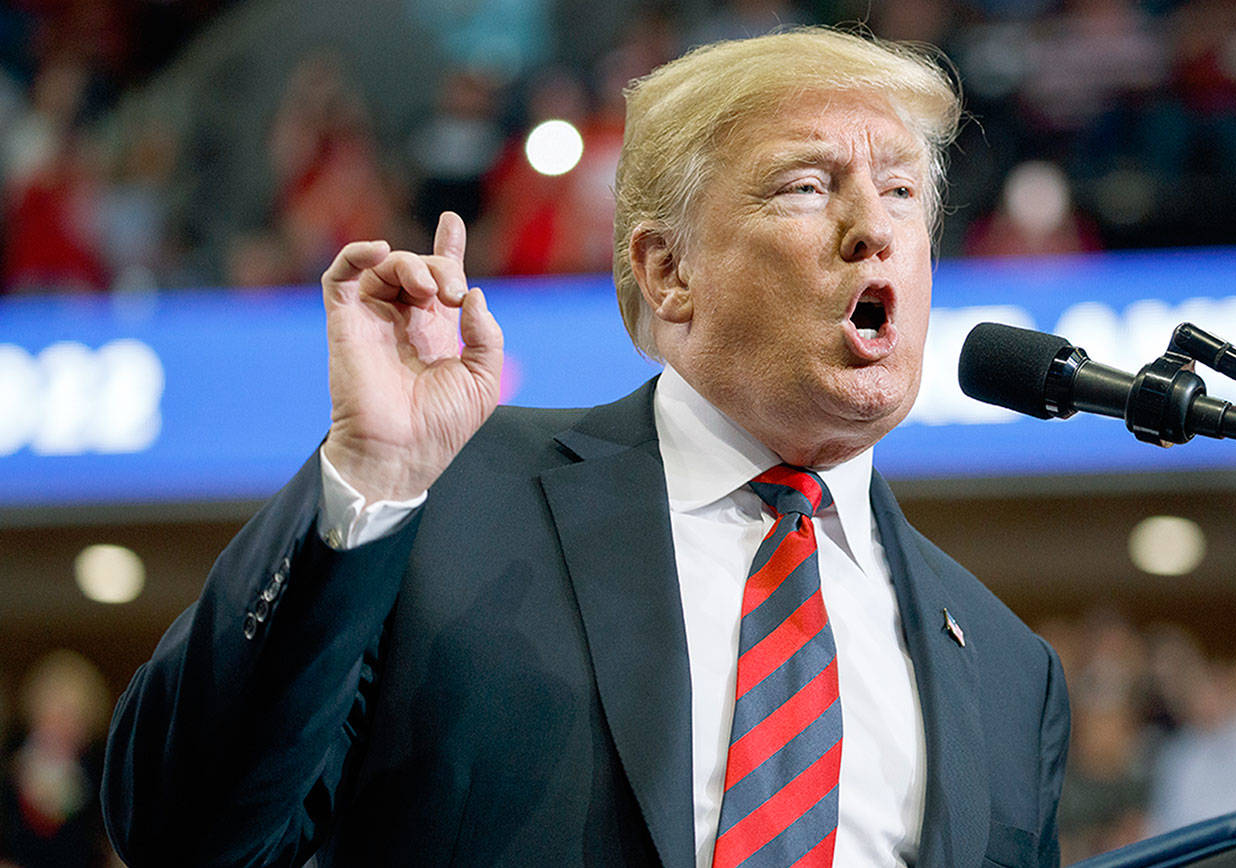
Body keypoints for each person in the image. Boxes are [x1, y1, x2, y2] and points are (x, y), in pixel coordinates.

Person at [101, 27, 1069, 868]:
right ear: (667, 270)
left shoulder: (1010, 675)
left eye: (903, 191)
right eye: (808, 185)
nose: (876, 231)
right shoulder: (450, 502)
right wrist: (368, 483)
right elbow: (183, 832)